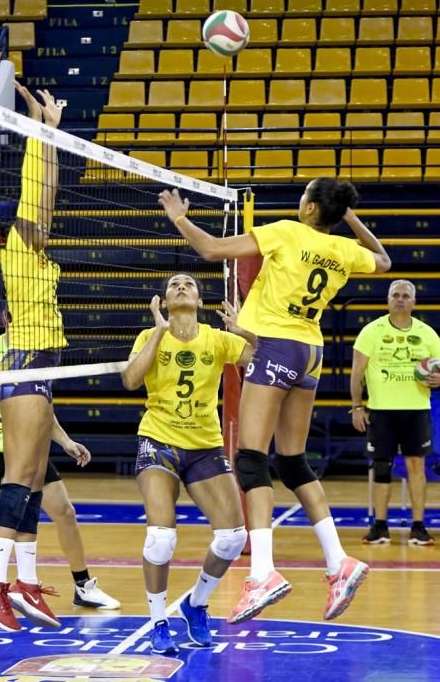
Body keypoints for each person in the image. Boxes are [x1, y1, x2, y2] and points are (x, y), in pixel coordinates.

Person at [158, 178, 391, 624]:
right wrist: (349, 218)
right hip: (311, 353)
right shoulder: (343, 251)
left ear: (307, 209)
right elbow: (383, 259)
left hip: (278, 347)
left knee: (250, 459)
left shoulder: (286, 230)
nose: (299, 199)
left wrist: (179, 217)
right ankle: (338, 561)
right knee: (292, 461)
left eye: (304, 195)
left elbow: (210, 249)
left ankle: (262, 572)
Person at [0, 83, 68, 632]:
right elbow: (39, 194)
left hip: (41, 364)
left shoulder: (35, 250)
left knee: (32, 477)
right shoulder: (19, 246)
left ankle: (25, 582)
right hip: (27, 361)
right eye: (31, 217)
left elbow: (45, 200)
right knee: (18, 476)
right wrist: (41, 134)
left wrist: (50, 132)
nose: (42, 221)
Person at [121, 274, 252, 654]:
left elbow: (266, 357)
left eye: (188, 284)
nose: (181, 287)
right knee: (161, 539)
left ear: (198, 299)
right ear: (163, 298)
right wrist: (159, 332)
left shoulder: (218, 338)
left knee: (233, 538)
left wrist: (245, 330)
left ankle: (195, 604)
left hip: (204, 445)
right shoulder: (150, 336)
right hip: (158, 440)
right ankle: (158, 622)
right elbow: (130, 380)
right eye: (174, 284)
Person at [0, 335, 120, 613]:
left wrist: (65, 441)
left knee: (65, 512)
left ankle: (83, 586)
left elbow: (41, 410)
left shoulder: (37, 354)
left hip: (27, 447)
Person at [351, 279, 440, 546]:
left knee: (416, 467)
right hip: (381, 411)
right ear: (388, 299)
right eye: (395, 295)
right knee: (381, 467)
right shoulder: (371, 331)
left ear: (414, 301)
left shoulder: (428, 334)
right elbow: (357, 374)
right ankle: (380, 526)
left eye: (405, 296)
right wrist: (357, 406)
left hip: (416, 410)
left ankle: (418, 526)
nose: (400, 300)